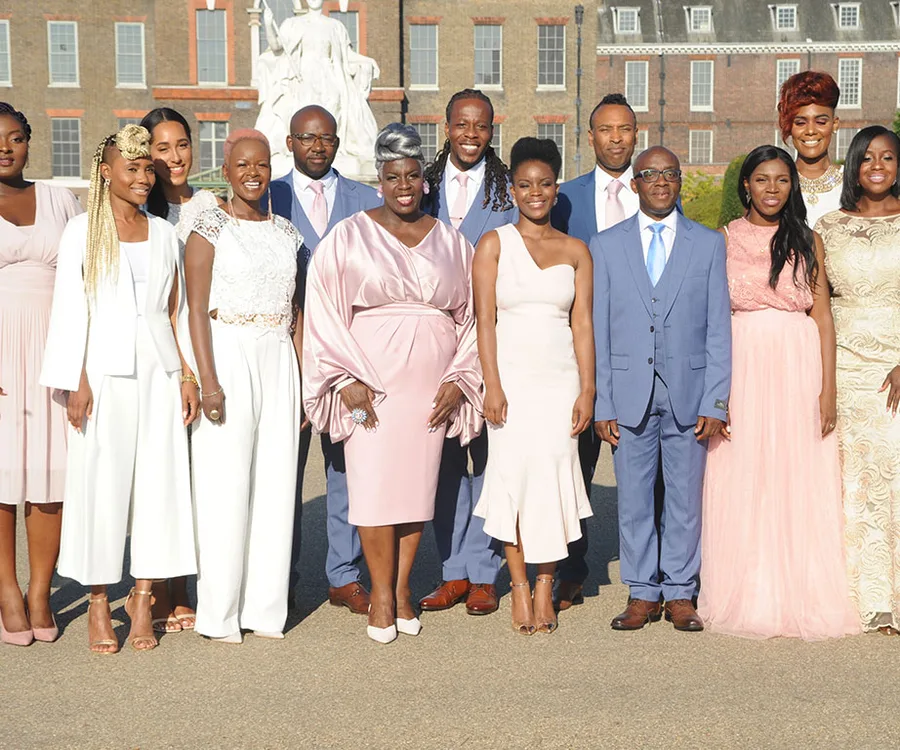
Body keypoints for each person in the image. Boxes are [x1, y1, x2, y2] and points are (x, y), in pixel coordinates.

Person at [303, 123, 482, 644]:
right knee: (373, 490)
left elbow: (473, 319)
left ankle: (403, 589)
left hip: (430, 389)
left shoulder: (452, 242)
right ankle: (379, 593)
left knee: (416, 492)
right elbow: (322, 310)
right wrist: (344, 378)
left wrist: (459, 380)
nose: (403, 185)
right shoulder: (348, 235)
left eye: (411, 176)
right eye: (391, 177)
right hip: (369, 387)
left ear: (424, 181)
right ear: (379, 181)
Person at [40, 124, 199, 653]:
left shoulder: (164, 234)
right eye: (131, 168)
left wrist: (188, 374)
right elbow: (69, 308)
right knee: (100, 489)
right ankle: (98, 601)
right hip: (102, 376)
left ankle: (144, 594)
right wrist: (76, 381)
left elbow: (175, 311)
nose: (142, 177)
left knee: (159, 485)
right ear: (105, 172)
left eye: (147, 168)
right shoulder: (82, 231)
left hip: (159, 373)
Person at [698, 145, 859, 640]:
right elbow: (709, 320)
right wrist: (715, 393)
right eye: (762, 179)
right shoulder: (721, 240)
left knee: (796, 472)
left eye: (782, 180)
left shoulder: (808, 239)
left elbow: (823, 315)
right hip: (742, 360)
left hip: (797, 362)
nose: (772, 188)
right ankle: (747, 587)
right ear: (745, 184)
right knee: (743, 469)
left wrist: (827, 388)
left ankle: (800, 589)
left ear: (792, 187)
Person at [592, 146, 731, 632]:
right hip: (628, 394)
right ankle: (641, 591)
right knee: (632, 498)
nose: (660, 182)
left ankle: (679, 592)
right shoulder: (606, 245)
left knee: (685, 498)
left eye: (670, 174)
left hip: (689, 396)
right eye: (650, 174)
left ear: (679, 182)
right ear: (635, 183)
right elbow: (599, 331)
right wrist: (602, 402)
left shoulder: (709, 245)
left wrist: (716, 400)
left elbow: (718, 330)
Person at [183, 129, 303, 644]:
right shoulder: (209, 226)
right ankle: (219, 613)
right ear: (227, 171)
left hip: (278, 356)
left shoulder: (286, 233)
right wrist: (208, 381)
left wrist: (300, 378)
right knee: (225, 485)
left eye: (261, 165)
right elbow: (193, 309)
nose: (253, 173)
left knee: (276, 486)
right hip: (227, 355)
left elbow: (296, 314)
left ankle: (264, 609)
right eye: (242, 166)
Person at [473, 137, 595, 635]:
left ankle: (548, 583)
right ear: (513, 190)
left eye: (544, 184)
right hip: (512, 382)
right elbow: (484, 322)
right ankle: (519, 586)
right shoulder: (493, 244)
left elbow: (582, 324)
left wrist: (587, 390)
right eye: (524, 185)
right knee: (513, 480)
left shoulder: (576, 250)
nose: (535, 192)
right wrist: (492, 385)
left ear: (556, 188)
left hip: (561, 380)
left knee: (556, 482)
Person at [270, 105, 381, 616]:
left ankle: (344, 575)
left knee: (347, 468)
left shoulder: (365, 201)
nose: (318, 146)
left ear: (338, 143)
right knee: (280, 474)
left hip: (347, 360)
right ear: (290, 142)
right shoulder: (265, 194)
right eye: (307, 138)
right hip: (283, 360)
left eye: (327, 139)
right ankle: (278, 578)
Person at [419, 89, 516, 617]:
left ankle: (484, 571)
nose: (471, 134)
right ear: (447, 126)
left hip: (496, 337)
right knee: (446, 460)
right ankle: (452, 569)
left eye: (481, 126)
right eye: (462, 124)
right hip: (437, 340)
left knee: (492, 457)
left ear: (491, 131)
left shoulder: (507, 192)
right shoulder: (423, 186)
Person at [550, 92, 641, 611]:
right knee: (574, 465)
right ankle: (570, 568)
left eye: (624, 129)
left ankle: (652, 574)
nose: (615, 138)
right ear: (591, 137)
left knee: (642, 472)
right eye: (605, 129)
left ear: (635, 134)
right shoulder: (564, 198)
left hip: (637, 353)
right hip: (577, 351)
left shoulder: (655, 189)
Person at [0, 103, 82, 646]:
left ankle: (40, 591)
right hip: (1, 354)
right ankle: (7, 590)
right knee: (3, 480)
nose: (5, 147)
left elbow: (83, 279)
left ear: (30, 142)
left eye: (15, 137)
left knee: (50, 480)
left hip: (55, 353)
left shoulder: (61, 199)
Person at [816, 125, 900, 635]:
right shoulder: (828, 226)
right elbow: (818, 305)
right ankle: (865, 599)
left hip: (896, 367)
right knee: (853, 481)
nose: (877, 165)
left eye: (889, 157)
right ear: (852, 164)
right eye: (867, 157)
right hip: (845, 366)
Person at [141, 106, 220, 635]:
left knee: (197, 472)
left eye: (182, 145)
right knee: (158, 471)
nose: (174, 157)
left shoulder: (211, 205)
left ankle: (189, 581)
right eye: (162, 148)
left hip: (202, 343)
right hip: (154, 352)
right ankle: (160, 584)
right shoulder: (136, 208)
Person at [777, 70, 842, 228]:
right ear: (789, 127)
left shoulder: (855, 182)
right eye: (800, 123)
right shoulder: (776, 183)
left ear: (834, 124)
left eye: (820, 122)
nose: (811, 130)